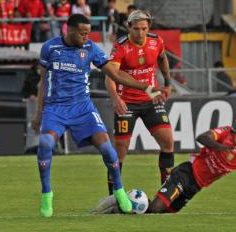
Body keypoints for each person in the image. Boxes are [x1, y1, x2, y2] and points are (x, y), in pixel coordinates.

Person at [32, 14, 165, 217]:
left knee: (107, 148)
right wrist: (38, 113)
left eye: (88, 33)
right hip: (55, 109)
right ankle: (46, 194)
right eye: (83, 33)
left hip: (83, 108)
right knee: (45, 144)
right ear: (69, 30)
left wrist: (147, 87)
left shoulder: (91, 49)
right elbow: (43, 82)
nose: (86, 37)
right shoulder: (49, 48)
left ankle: (119, 191)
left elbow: (116, 74)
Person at [91, 115, 236, 214]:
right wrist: (221, 148)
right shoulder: (225, 133)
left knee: (159, 215)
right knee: (154, 211)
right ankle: (116, 206)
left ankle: (129, 205)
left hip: (195, 187)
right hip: (186, 173)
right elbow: (202, 137)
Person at [104, 10, 174, 195]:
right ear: (128, 27)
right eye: (136, 29)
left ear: (148, 27)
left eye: (144, 28)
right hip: (126, 102)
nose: (140, 33)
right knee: (121, 150)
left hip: (151, 99)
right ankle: (114, 196)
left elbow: (162, 58)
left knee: (167, 141)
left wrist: (167, 83)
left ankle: (166, 193)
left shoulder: (156, 41)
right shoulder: (120, 47)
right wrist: (115, 98)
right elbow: (110, 76)